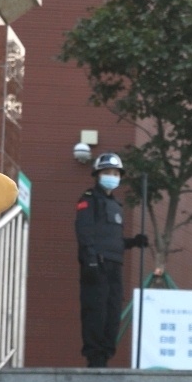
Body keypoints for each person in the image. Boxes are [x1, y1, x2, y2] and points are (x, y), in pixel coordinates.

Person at [75, 151, 149, 368]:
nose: (112, 176)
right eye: (107, 172)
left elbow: (113, 240)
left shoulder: (116, 205)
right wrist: (89, 259)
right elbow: (84, 231)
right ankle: (94, 357)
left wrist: (133, 242)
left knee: (112, 311)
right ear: (98, 174)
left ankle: (106, 354)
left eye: (115, 173)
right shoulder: (89, 200)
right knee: (95, 311)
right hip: (96, 265)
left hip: (114, 265)